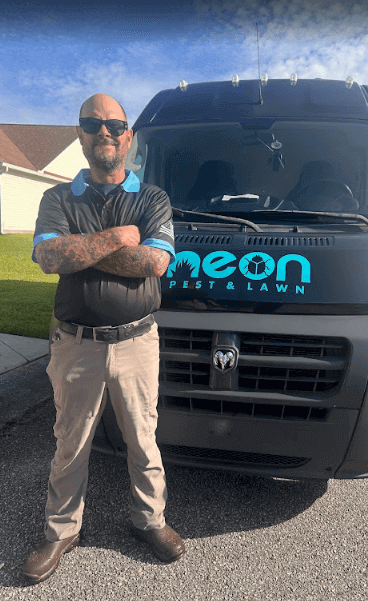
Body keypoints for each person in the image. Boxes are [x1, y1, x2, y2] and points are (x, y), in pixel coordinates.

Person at [22, 94, 184, 585]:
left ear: (128, 136)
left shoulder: (152, 198)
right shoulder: (57, 199)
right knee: (70, 441)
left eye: (115, 124)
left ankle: (149, 521)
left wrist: (80, 249)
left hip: (138, 341)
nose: (105, 131)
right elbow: (48, 258)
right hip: (75, 343)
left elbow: (155, 263)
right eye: (93, 123)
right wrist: (118, 238)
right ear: (80, 134)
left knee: (143, 438)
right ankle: (62, 530)